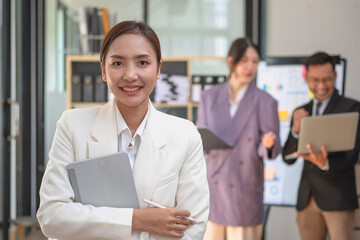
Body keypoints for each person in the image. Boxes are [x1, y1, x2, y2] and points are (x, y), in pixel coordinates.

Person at [37, 20, 209, 240]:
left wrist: (94, 221)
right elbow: (52, 217)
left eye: (143, 63)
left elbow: (192, 227)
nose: (130, 75)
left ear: (158, 69)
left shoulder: (185, 134)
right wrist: (139, 219)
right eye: (118, 63)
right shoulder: (72, 125)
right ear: (104, 71)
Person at [196, 38, 282, 240]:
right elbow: (201, 142)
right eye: (245, 60)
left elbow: (272, 148)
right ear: (230, 62)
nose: (250, 67)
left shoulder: (265, 101)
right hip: (214, 185)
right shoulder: (209, 97)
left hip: (245, 185)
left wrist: (267, 144)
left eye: (254, 61)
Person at [282, 52, 360, 240]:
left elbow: (353, 155)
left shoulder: (352, 108)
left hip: (338, 198)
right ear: (306, 78)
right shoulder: (301, 111)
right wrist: (295, 131)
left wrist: (325, 163)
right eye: (315, 80)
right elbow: (287, 157)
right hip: (308, 199)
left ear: (335, 76)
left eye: (327, 79)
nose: (321, 86)